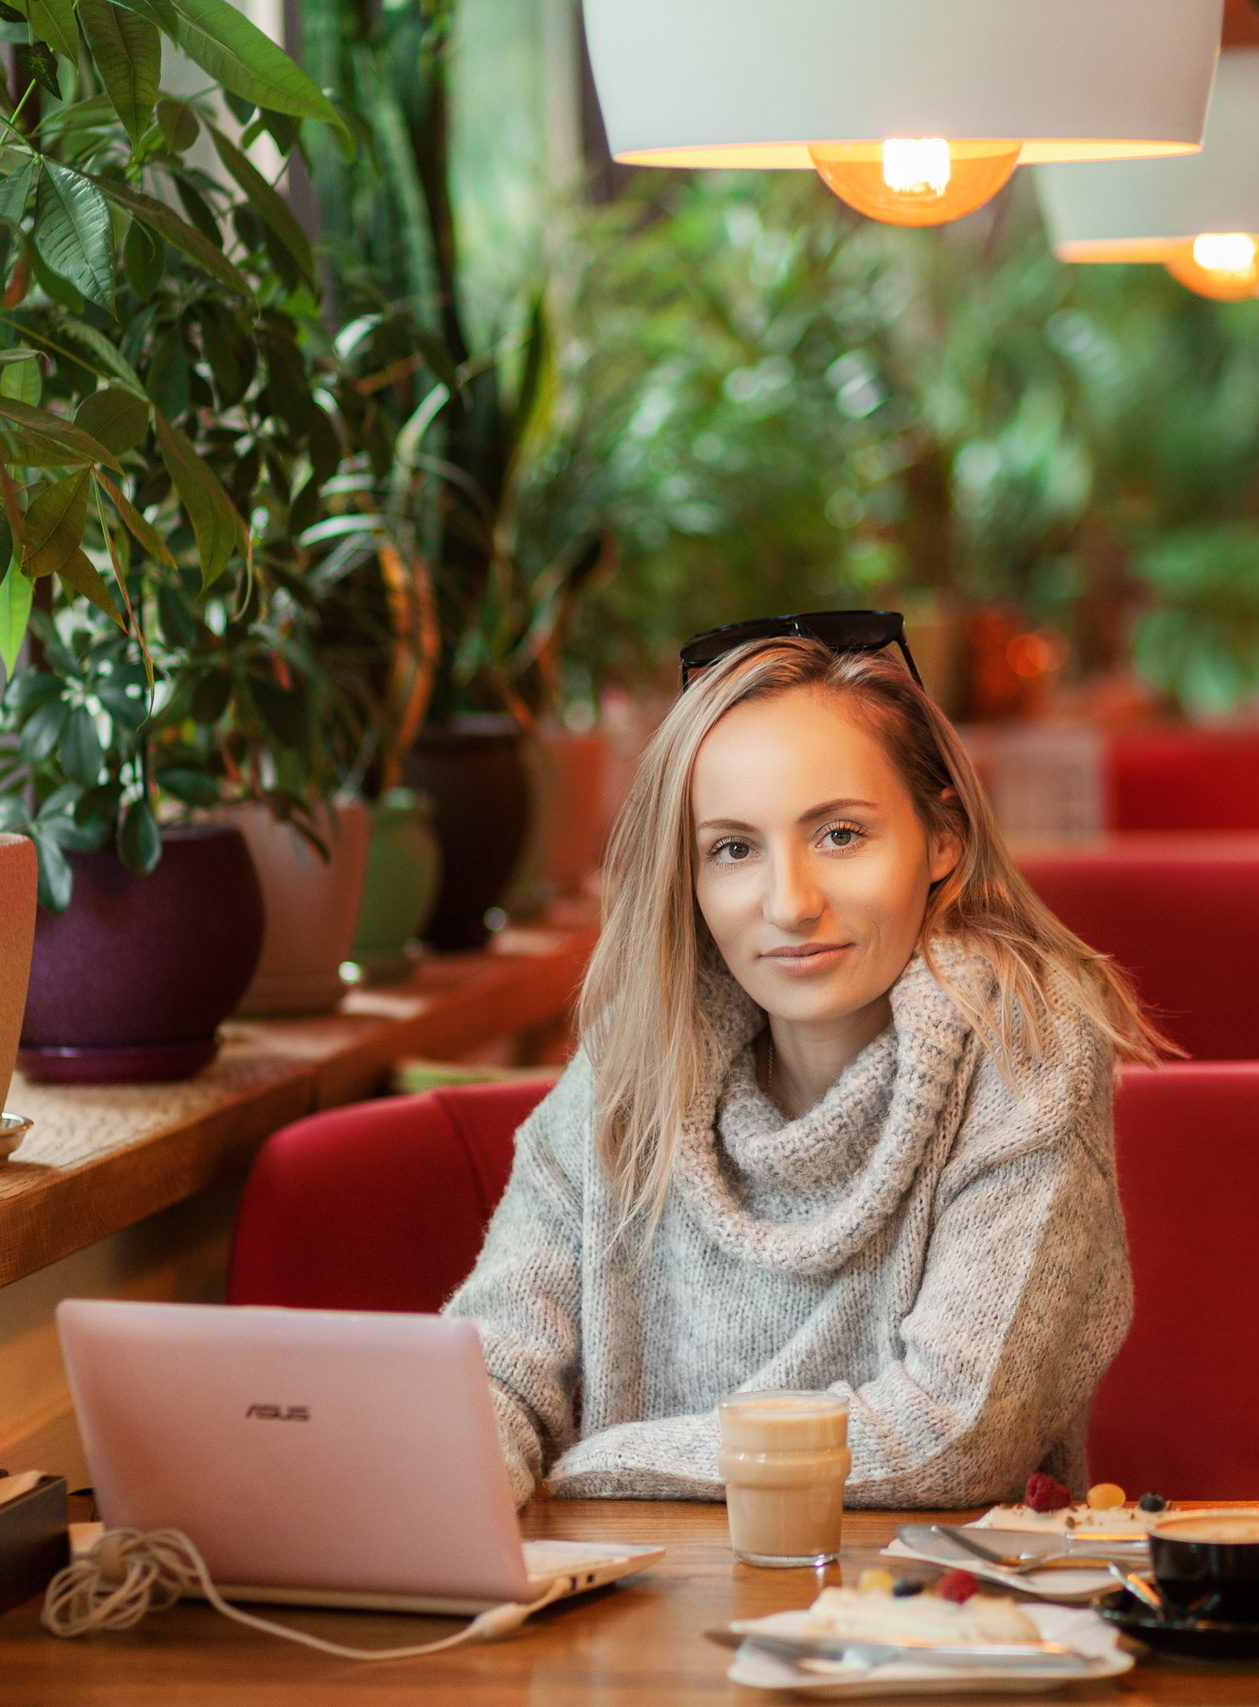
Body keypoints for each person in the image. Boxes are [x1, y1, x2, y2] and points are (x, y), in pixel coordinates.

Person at [447, 614, 1161, 1509]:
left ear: (942, 838)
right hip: (647, 1623)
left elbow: (949, 1438)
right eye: (734, 849)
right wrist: (462, 1472)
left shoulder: (1024, 1050)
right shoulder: (637, 1060)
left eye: (840, 835)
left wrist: (592, 1466)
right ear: (691, 877)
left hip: (921, 1625)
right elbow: (492, 1368)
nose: (789, 903)